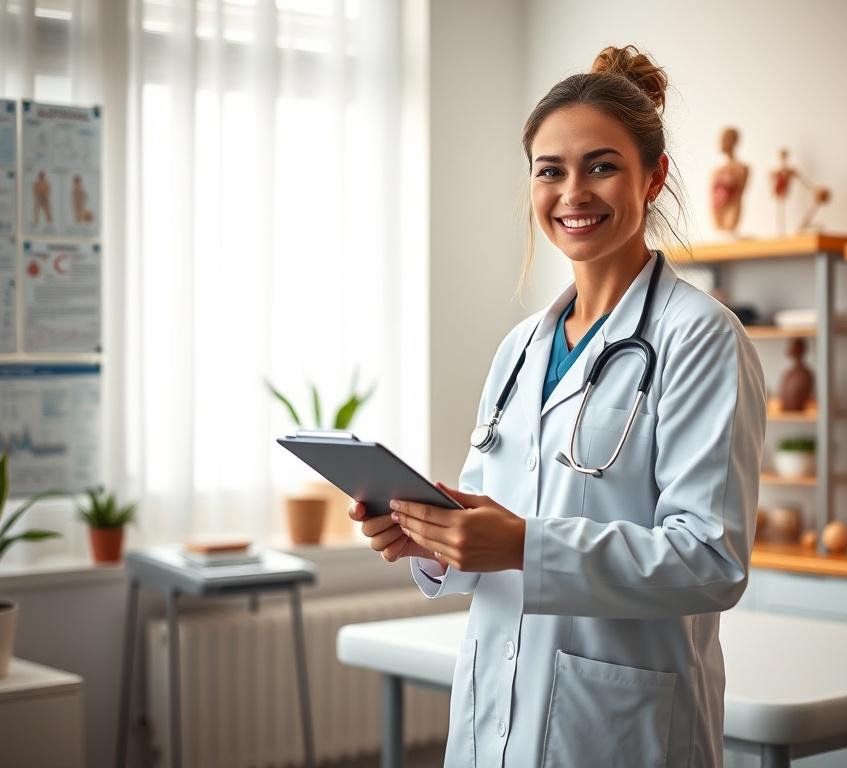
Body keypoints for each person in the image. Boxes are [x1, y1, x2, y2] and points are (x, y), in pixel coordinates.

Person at [349, 44, 766, 767]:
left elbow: (709, 561)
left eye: (602, 165)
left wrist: (520, 544)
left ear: (654, 176)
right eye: (551, 171)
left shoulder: (700, 338)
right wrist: (440, 541)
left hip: (619, 729)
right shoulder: (520, 349)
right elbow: (495, 521)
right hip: (494, 718)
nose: (574, 192)